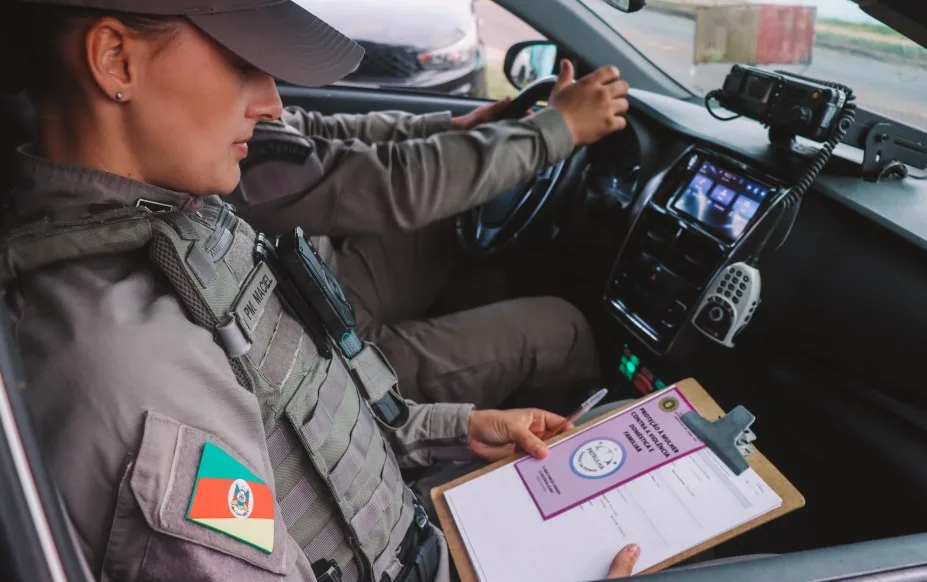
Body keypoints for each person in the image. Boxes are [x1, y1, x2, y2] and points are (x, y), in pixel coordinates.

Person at [0, 0, 640, 582]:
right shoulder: (125, 365)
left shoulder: (180, 221)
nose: (272, 103)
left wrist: (452, 429)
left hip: (410, 538)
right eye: (241, 64)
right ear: (116, 60)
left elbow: (295, 415)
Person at [229, 55, 631, 411]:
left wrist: (450, 126)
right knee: (565, 331)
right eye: (242, 72)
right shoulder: (235, 166)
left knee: (453, 228)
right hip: (327, 357)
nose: (273, 99)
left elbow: (308, 129)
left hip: (322, 282)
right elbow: (394, 184)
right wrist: (559, 129)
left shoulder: (235, 126)